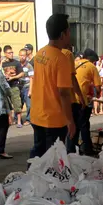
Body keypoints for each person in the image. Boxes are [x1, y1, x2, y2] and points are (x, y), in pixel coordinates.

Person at [29, 13, 76, 159]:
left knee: (38, 156)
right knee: (53, 161)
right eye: (69, 31)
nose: (70, 34)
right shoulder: (61, 58)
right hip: (53, 120)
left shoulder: (40, 53)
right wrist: (70, 120)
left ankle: (32, 179)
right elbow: (64, 93)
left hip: (37, 115)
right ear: (63, 34)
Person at [67, 48, 101, 155]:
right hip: (82, 101)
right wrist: (95, 93)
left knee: (73, 126)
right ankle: (88, 149)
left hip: (70, 99)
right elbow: (98, 87)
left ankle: (71, 150)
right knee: (84, 126)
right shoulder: (92, 67)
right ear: (92, 60)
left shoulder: (74, 63)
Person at [2, 45, 25, 128]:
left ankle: (19, 121)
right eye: (9, 53)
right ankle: (9, 120)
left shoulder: (16, 62)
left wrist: (13, 77)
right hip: (5, 87)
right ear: (5, 54)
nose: (11, 54)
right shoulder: (3, 64)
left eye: (12, 52)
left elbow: (22, 73)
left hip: (14, 86)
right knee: (6, 105)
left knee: (17, 104)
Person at [19, 48, 33, 126]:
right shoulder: (17, 65)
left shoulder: (29, 66)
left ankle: (28, 119)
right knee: (18, 105)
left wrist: (30, 90)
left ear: (26, 56)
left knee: (29, 105)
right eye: (21, 55)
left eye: (24, 55)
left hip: (27, 87)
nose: (22, 57)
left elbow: (32, 78)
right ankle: (18, 119)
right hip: (19, 87)